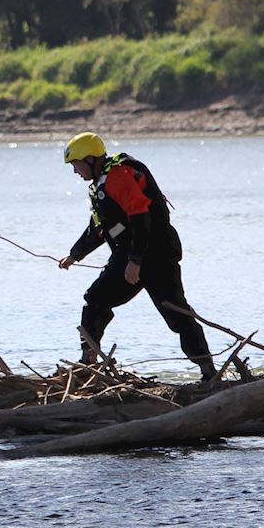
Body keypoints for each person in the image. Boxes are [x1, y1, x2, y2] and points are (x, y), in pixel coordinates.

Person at [57, 132, 218, 381]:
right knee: (95, 299)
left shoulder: (118, 176)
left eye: (76, 165)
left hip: (156, 256)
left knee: (176, 314)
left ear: (90, 159)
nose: (75, 172)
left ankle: (208, 372)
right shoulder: (99, 185)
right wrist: (74, 255)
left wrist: (135, 261)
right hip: (129, 257)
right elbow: (100, 228)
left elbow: (141, 217)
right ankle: (88, 360)